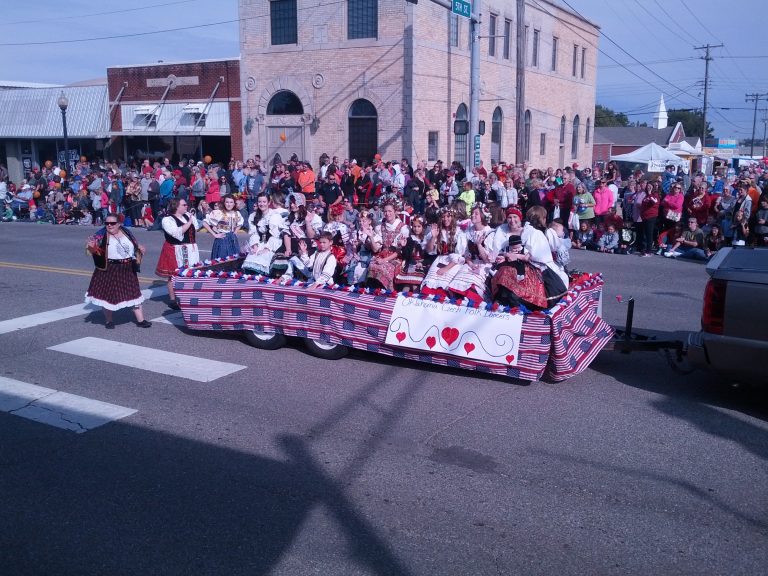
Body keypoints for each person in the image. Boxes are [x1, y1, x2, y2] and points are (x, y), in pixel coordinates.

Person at [85, 216, 151, 329]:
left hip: (127, 268)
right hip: (109, 269)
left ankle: (141, 320)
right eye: (107, 223)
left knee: (134, 294)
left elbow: (134, 244)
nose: (109, 225)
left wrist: (140, 248)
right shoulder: (100, 236)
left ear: (119, 223)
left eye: (112, 223)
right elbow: (93, 252)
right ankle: (109, 321)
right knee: (108, 296)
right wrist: (92, 247)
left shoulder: (126, 232)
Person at [155, 198, 201, 309]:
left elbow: (197, 227)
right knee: (173, 275)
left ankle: (188, 296)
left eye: (187, 204)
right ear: (176, 206)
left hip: (190, 248)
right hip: (175, 249)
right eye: (184, 205)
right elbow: (176, 233)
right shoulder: (168, 220)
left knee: (191, 272)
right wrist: (189, 222)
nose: (187, 206)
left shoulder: (188, 216)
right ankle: (172, 299)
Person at [420, 207, 468, 296]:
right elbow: (429, 250)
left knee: (443, 286)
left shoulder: (459, 233)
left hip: (454, 263)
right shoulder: (438, 231)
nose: (445, 219)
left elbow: (459, 256)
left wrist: (446, 269)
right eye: (443, 216)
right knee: (429, 284)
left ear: (453, 217)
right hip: (440, 260)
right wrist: (434, 237)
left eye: (448, 216)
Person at [242, 192, 288, 276]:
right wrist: (255, 246)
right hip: (259, 242)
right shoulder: (253, 216)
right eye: (259, 202)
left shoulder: (274, 216)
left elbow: (275, 236)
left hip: (271, 244)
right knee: (252, 256)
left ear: (269, 202)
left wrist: (266, 249)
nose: (261, 204)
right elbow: (254, 233)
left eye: (264, 202)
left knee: (263, 257)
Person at [367, 201, 409, 290]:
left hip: (396, 257)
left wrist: (384, 260)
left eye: (390, 211)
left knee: (383, 269)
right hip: (383, 254)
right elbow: (375, 250)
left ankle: (388, 292)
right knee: (372, 265)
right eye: (385, 211)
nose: (387, 214)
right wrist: (370, 237)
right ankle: (373, 293)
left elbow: (399, 251)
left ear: (395, 211)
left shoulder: (402, 228)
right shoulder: (380, 227)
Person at [203, 194, 244, 259]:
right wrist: (215, 234)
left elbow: (240, 223)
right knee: (222, 260)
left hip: (233, 240)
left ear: (234, 204)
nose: (229, 204)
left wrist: (235, 232)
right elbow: (205, 223)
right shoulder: (218, 213)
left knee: (233, 261)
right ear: (224, 203)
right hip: (222, 240)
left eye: (231, 202)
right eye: (227, 202)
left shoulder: (237, 213)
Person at [393, 215, 427, 292]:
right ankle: (402, 299)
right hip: (411, 263)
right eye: (414, 226)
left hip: (422, 264)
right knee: (407, 284)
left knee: (415, 285)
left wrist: (423, 263)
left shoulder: (425, 239)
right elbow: (406, 256)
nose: (416, 229)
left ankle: (415, 300)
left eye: (419, 226)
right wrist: (404, 247)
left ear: (423, 227)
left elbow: (428, 256)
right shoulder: (409, 239)